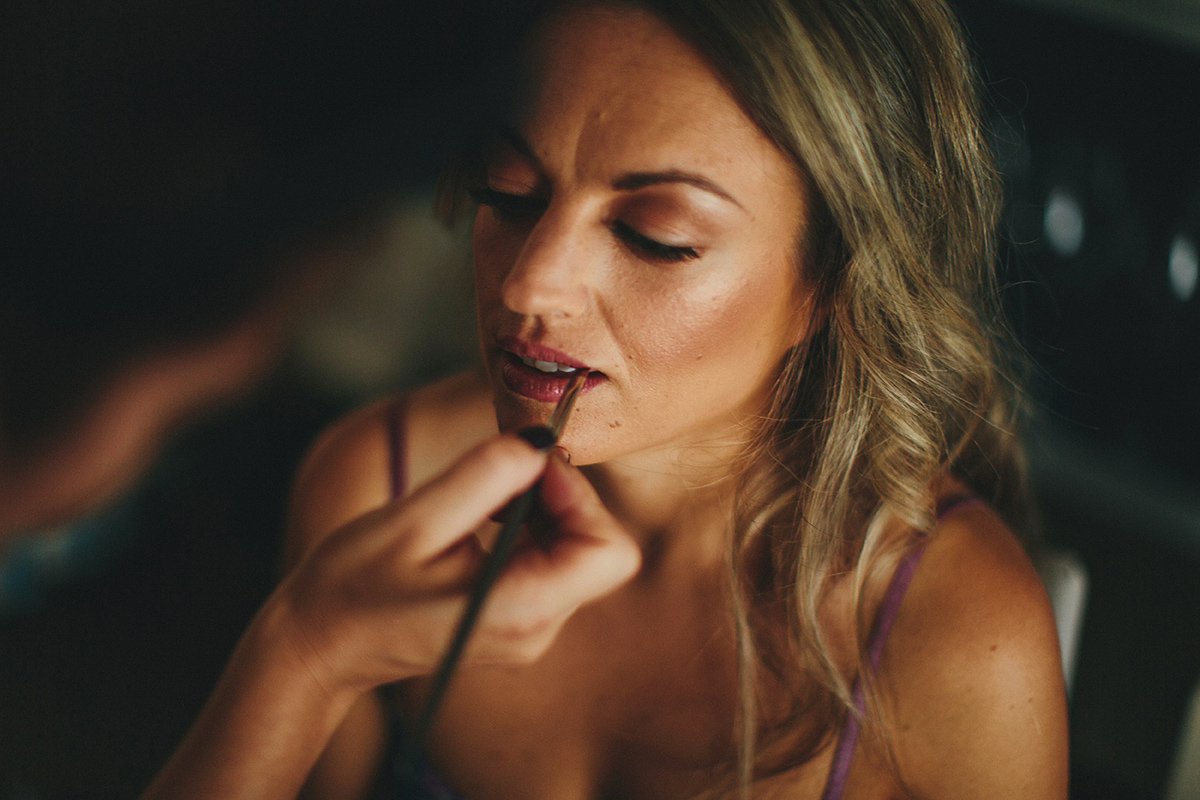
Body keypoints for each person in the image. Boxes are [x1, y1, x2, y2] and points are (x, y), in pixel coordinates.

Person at [279, 0, 1070, 798]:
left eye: (656, 236)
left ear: (831, 283)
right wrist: (305, 653)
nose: (528, 284)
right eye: (509, 191)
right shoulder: (376, 492)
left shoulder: (958, 642)